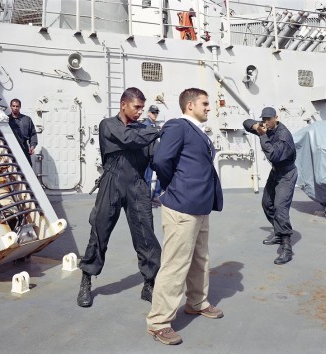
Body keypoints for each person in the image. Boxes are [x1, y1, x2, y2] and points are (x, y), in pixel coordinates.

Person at [146, 88, 223, 345]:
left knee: (200, 259)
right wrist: (175, 187)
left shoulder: (198, 131)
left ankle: (197, 302)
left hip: (199, 207)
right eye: (205, 103)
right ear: (190, 105)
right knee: (175, 265)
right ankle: (159, 322)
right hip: (181, 206)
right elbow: (161, 160)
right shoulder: (178, 126)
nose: (208, 108)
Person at [77, 87, 162, 308]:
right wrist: (158, 130)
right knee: (99, 231)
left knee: (146, 236)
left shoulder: (146, 130)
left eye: (143, 108)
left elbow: (156, 160)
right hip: (111, 183)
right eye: (137, 107)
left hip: (137, 185)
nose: (140, 113)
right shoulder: (109, 125)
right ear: (123, 104)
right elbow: (128, 139)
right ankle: (86, 280)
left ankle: (149, 283)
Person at [243, 107, 297, 265]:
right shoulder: (266, 127)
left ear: (276, 118)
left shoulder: (283, 135)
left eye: (268, 119)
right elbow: (245, 123)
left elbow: (273, 155)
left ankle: (287, 247)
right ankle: (279, 232)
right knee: (267, 204)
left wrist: (262, 135)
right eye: (263, 119)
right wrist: (256, 127)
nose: (265, 122)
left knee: (280, 207)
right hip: (275, 172)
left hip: (287, 174)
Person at [8, 99, 38, 166]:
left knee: (27, 166)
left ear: (20, 107)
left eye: (17, 106)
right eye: (13, 106)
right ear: (11, 106)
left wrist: (32, 146)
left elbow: (33, 134)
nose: (15, 108)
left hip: (24, 148)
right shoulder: (6, 120)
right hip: (10, 148)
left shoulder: (27, 119)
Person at [143, 105, 162, 207]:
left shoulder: (154, 125)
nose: (155, 114)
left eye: (156, 112)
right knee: (148, 178)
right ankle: (148, 200)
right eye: (153, 112)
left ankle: (155, 197)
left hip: (155, 155)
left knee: (160, 174)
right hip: (149, 156)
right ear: (148, 113)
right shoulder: (146, 125)